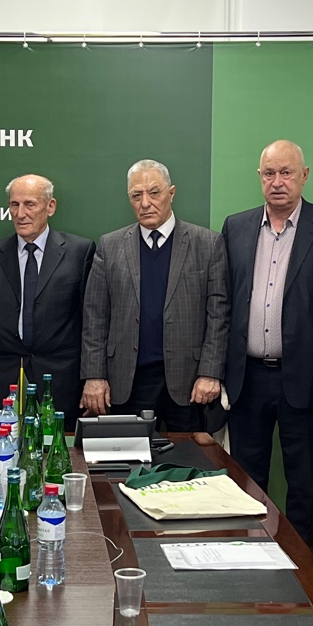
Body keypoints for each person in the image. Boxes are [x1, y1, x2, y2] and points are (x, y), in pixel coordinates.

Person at [222, 140, 313, 532]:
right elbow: (225, 302)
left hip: (305, 377)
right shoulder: (236, 227)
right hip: (247, 378)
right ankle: (247, 550)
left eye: (286, 173)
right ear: (259, 177)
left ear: (304, 175)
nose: (277, 182)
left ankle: (302, 562)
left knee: (306, 482)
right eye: (269, 173)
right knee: (245, 479)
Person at [81, 159, 230, 432]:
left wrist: (210, 373)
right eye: (136, 195)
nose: (145, 203)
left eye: (154, 192)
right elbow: (95, 317)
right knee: (128, 457)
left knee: (189, 457)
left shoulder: (207, 244)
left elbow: (218, 316)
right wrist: (94, 376)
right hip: (127, 380)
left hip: (188, 382)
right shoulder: (110, 246)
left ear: (171, 193)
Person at [0, 174, 95, 425]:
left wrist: (91, 380)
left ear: (50, 206)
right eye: (14, 205)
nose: (20, 213)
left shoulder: (80, 252)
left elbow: (91, 325)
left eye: (29, 204)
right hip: (5, 385)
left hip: (63, 384)